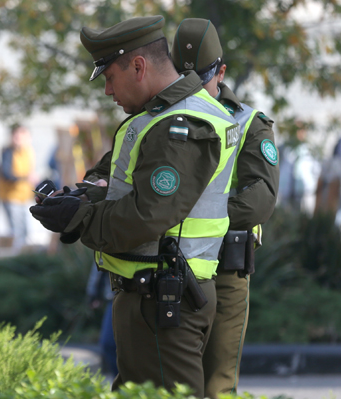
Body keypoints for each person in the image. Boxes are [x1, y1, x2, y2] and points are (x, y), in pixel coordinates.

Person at [30, 15, 239, 397]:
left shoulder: (181, 124)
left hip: (165, 301)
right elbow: (115, 183)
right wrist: (79, 198)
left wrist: (78, 218)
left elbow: (148, 215)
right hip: (154, 298)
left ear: (139, 66)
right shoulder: (154, 118)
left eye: (109, 77)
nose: (108, 90)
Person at [171, 19, 280, 399]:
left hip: (226, 267)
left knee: (216, 383)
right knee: (171, 385)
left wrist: (185, 211)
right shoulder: (165, 116)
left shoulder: (249, 123)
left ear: (221, 72)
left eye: (202, 79)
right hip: (171, 263)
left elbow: (259, 200)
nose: (194, 90)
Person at [0, 124, 36, 253]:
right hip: (11, 196)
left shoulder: (28, 151)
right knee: (16, 231)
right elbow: (7, 174)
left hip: (25, 196)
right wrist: (25, 178)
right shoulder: (8, 152)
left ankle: (24, 255)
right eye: (16, 136)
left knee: (26, 231)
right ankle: (17, 256)